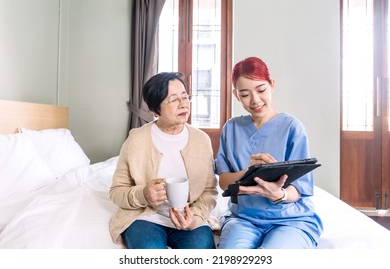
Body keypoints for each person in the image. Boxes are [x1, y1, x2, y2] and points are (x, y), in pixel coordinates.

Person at [214, 56, 323, 249]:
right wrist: (247, 172)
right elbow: (223, 181)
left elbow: (298, 189)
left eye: (261, 90)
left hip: (290, 219)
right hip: (243, 218)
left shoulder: (292, 128)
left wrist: (278, 194)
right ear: (236, 95)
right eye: (245, 94)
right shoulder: (231, 129)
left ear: (272, 85)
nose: (255, 100)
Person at [109, 72, 218, 249]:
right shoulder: (136, 139)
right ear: (154, 110)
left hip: (189, 217)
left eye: (185, 97)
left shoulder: (201, 140)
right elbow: (116, 191)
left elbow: (210, 191)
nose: (183, 104)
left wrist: (195, 218)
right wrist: (144, 194)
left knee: (202, 249)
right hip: (145, 218)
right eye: (174, 100)